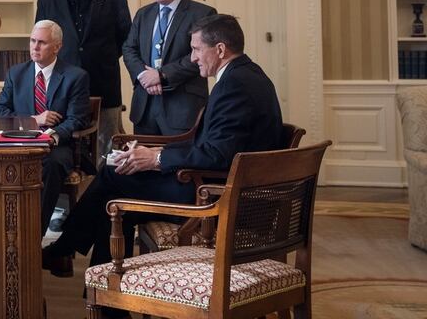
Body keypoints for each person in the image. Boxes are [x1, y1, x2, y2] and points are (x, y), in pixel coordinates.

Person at [41, 14, 287, 284]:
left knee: (113, 178)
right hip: (215, 185)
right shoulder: (243, 75)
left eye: (195, 49)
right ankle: (100, 290)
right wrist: (148, 151)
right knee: (113, 197)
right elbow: (209, 145)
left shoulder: (236, 85)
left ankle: (66, 252)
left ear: (219, 49)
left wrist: (156, 157)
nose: (192, 58)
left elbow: (218, 155)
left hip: (219, 199)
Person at [0, 20, 91, 234]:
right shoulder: (16, 73)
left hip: (56, 146)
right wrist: (33, 120)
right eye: (32, 41)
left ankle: (32, 236)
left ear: (57, 46)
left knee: (50, 165)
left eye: (42, 43)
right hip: (18, 143)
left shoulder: (75, 76)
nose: (35, 47)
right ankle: (3, 232)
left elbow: (78, 119)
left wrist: (52, 136)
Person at [35, 0, 130, 160]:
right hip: (62, 83)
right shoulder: (48, 1)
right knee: (63, 138)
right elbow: (41, 38)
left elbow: (126, 38)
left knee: (107, 142)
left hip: (103, 80)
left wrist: (103, 56)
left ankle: (106, 186)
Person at [123, 0, 216, 136]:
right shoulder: (143, 14)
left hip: (182, 106)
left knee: (177, 161)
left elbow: (202, 55)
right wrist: (144, 76)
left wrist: (161, 75)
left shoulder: (203, 13)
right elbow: (129, 49)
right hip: (145, 105)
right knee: (141, 161)